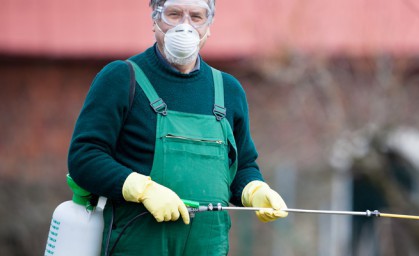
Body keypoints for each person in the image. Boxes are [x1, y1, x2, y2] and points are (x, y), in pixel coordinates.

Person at [68, 0, 288, 255]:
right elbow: (84, 157)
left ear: (209, 25)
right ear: (155, 19)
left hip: (208, 248)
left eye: (196, 16)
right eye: (174, 14)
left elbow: (242, 167)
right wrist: (141, 189)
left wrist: (254, 189)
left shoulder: (229, 90)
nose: (185, 26)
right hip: (137, 244)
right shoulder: (121, 78)